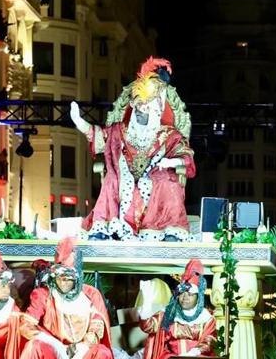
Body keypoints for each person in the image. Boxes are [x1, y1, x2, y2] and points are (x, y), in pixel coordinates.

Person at [70, 57, 195, 241]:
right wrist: (79, 122)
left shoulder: (169, 134)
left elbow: (185, 153)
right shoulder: (119, 130)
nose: (142, 110)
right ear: (133, 106)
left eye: (147, 106)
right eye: (139, 106)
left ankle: (167, 230)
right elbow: (98, 137)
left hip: (156, 179)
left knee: (167, 181)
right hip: (124, 178)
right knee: (112, 178)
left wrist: (171, 161)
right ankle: (103, 228)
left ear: (157, 110)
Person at [15, 237, 114, 359]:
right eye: (61, 277)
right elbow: (26, 325)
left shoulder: (91, 294)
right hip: (53, 353)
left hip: (82, 354)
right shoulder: (43, 295)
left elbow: (97, 329)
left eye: (69, 278)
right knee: (33, 347)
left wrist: (75, 358)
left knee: (103, 353)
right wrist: (57, 346)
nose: (65, 282)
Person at [139, 259, 216, 359]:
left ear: (198, 297)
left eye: (190, 294)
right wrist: (146, 301)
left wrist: (191, 354)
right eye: (181, 293)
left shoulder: (207, 317)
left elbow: (209, 340)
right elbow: (147, 326)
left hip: (198, 357)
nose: (185, 297)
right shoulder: (168, 314)